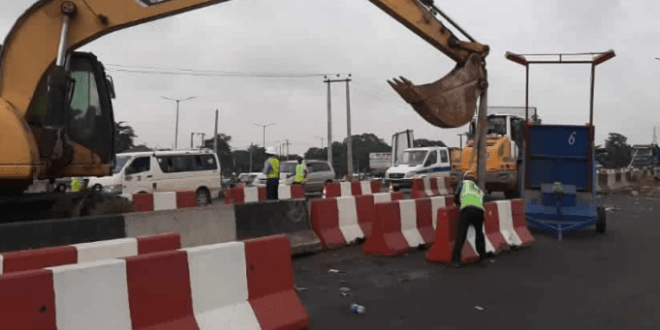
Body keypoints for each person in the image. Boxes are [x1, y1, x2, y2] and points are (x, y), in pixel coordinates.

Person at [450, 171, 494, 267]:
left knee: (461, 234)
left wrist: (458, 204)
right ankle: (482, 257)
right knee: (479, 234)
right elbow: (482, 199)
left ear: (464, 178)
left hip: (467, 210)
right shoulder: (477, 188)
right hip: (479, 211)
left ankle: (456, 260)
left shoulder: (462, 184)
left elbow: (456, 195)